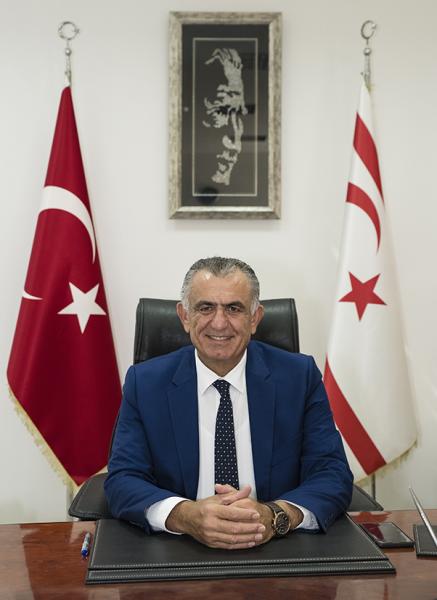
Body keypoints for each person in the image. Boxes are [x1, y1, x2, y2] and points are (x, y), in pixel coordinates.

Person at [105, 257, 353, 550]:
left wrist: (275, 515)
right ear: (184, 316)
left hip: (278, 544)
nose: (219, 323)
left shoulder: (299, 377)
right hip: (177, 548)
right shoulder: (145, 383)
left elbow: (331, 472)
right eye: (205, 308)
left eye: (234, 308)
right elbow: (123, 479)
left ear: (255, 318)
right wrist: (186, 516)